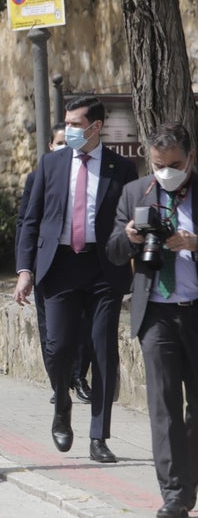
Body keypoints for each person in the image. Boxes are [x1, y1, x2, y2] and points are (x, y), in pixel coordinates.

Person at [15, 95, 137, 463]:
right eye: (66, 124)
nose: (68, 130)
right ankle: (62, 405)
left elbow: (127, 219)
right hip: (60, 266)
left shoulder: (121, 168)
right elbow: (31, 220)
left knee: (103, 352)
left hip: (103, 269)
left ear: (96, 127)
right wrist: (24, 270)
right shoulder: (51, 164)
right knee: (58, 347)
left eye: (75, 125)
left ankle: (99, 437)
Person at [107, 122, 198, 518]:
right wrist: (129, 237)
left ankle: (189, 479)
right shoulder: (134, 192)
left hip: (195, 308)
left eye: (174, 164)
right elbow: (112, 252)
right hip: (156, 313)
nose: (166, 172)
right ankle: (174, 495)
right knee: (163, 405)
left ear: (191, 157)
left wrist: (195, 242)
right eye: (159, 164)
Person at [16, 124, 92, 405]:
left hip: (82, 260)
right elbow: (27, 221)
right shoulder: (38, 176)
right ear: (50, 146)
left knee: (82, 325)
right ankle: (58, 382)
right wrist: (24, 267)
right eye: (59, 142)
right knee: (50, 329)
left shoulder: (89, 174)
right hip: (47, 264)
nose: (65, 147)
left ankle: (79, 378)